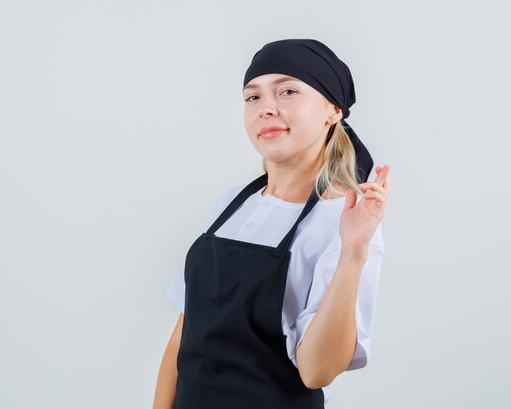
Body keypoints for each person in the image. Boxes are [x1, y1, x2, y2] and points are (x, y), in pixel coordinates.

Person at [153, 39, 391, 409]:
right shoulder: (232, 206)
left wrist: (353, 251)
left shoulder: (344, 222)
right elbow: (182, 340)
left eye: (288, 91)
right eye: (253, 97)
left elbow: (317, 371)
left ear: (332, 110)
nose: (266, 109)